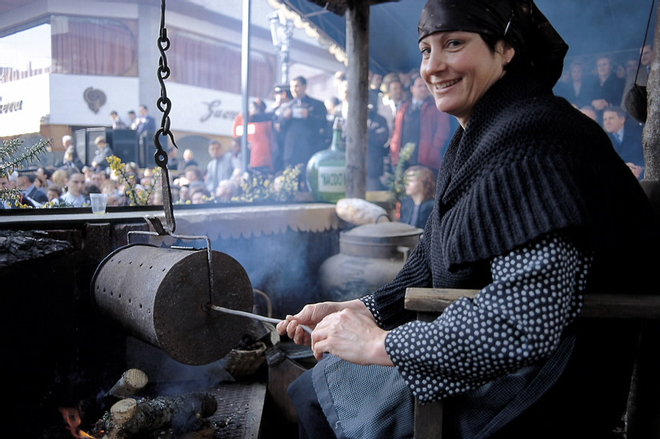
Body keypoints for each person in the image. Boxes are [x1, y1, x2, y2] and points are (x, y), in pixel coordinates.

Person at [277, 1, 659, 438]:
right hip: (498, 355)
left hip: (545, 378)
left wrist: (377, 343)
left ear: (505, 49)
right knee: (314, 388)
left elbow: (522, 321)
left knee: (318, 401)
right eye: (425, 50)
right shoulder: (479, 137)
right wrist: (362, 308)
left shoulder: (537, 140)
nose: (433, 67)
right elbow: (430, 260)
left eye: (454, 44)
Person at [389, 75, 452, 174]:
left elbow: (443, 129)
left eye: (426, 86)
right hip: (404, 159)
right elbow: (396, 131)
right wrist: (394, 149)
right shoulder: (404, 107)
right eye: (419, 86)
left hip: (427, 159)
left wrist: (434, 148)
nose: (423, 89)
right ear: (412, 89)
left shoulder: (436, 107)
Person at [277, 76, 328, 181]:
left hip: (309, 150)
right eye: (291, 87)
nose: (294, 89)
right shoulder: (286, 107)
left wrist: (309, 115)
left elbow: (323, 125)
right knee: (291, 182)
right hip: (291, 152)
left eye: (297, 86)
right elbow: (278, 128)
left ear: (304, 86)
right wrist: (285, 118)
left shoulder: (317, 105)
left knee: (308, 181)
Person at [602, 105, 645, 179]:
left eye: (611, 118)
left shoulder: (638, 133)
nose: (607, 122)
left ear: (622, 119)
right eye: (605, 119)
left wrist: (640, 168)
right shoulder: (601, 138)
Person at [584, 55, 625, 123]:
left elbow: (620, 99)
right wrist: (592, 102)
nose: (602, 68)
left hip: (612, 116)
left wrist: (608, 104)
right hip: (593, 116)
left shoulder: (620, 82)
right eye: (599, 65)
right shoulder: (590, 82)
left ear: (611, 67)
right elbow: (585, 97)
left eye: (604, 64)